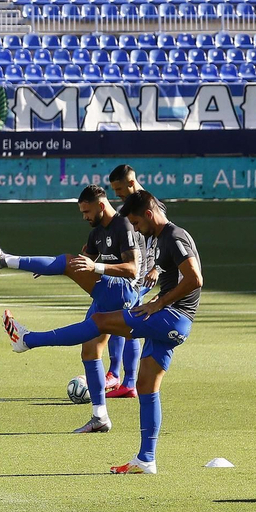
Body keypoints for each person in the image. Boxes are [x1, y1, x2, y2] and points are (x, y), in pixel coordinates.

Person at [3, 191, 202, 475]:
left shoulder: (174, 236)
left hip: (171, 317)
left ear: (147, 214)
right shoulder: (159, 237)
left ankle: (28, 340)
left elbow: (196, 278)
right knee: (147, 387)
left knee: (99, 321)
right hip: (172, 321)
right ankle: (146, 459)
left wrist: (160, 302)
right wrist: (155, 277)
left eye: (136, 223)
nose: (135, 229)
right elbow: (168, 269)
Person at [0, 185, 140, 433]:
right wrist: (50, 267)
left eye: (87, 212)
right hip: (106, 296)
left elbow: (132, 269)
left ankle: (3, 259)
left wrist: (94, 268)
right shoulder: (96, 233)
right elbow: (80, 263)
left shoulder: (123, 225)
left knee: (68, 262)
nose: (84, 217)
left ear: (101, 205)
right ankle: (100, 417)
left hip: (122, 292)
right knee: (89, 352)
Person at [105, 164, 154, 397]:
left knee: (127, 325)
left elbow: (163, 240)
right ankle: (116, 376)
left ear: (131, 183)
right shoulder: (127, 208)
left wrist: (156, 269)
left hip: (140, 276)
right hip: (131, 273)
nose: (117, 194)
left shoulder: (150, 206)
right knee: (119, 322)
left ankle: (128, 382)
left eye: (119, 189)